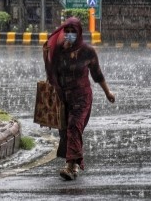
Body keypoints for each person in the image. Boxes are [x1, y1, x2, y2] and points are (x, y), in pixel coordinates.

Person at [43, 16, 115, 181]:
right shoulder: (58, 51)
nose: (69, 34)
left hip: (82, 97)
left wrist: (108, 92)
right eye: (66, 31)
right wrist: (48, 55)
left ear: (79, 33)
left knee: (74, 127)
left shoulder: (88, 51)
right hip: (63, 97)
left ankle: (69, 166)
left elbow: (97, 74)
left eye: (72, 31)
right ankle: (75, 164)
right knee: (65, 132)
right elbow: (51, 72)